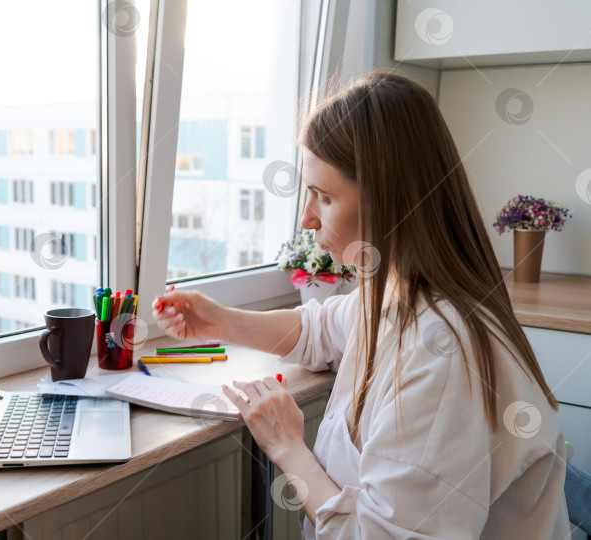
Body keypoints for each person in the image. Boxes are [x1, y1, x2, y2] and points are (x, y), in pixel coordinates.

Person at [151, 70, 570, 538]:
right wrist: (221, 321)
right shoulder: (398, 290)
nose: (307, 219)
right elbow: (320, 329)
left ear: (388, 201)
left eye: (323, 198)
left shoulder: (443, 350)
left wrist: (289, 446)